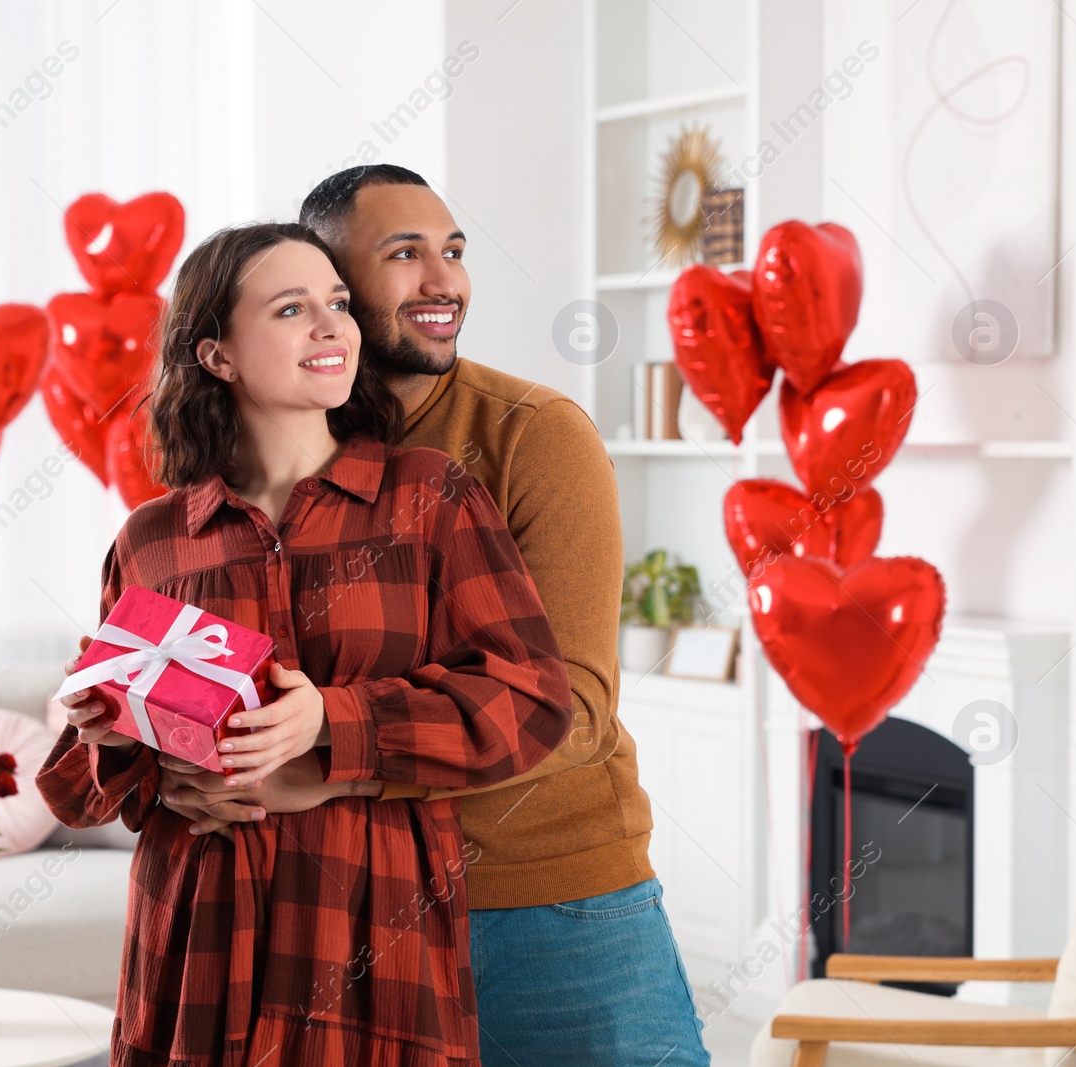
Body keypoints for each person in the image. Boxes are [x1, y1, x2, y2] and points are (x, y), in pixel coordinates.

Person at [151, 166, 713, 1066]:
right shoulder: (258, 464)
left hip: (543, 905)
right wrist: (177, 777)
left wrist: (338, 763)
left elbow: (573, 706)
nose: (444, 281)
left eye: (452, 252)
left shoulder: (532, 434)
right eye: (404, 255)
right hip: (355, 907)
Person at [35, 220, 575, 1066]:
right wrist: (118, 742)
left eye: (337, 303)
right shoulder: (155, 539)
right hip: (196, 947)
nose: (333, 327)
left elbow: (534, 702)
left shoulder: (429, 498)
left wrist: (332, 720)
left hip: (373, 943)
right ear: (215, 355)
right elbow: (83, 789)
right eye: (292, 309)